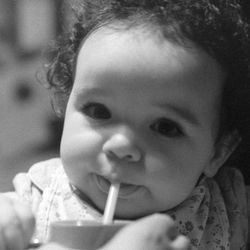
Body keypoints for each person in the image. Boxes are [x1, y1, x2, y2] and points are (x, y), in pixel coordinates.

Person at [2, 0, 250, 249]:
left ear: (218, 152)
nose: (120, 145)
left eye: (165, 127)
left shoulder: (233, 209)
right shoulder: (32, 205)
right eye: (98, 111)